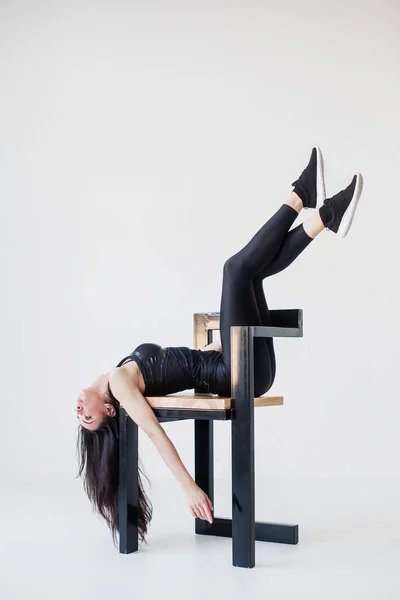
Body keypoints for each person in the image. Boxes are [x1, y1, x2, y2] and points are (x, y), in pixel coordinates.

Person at [76, 147, 364, 545]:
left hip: (238, 364)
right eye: (88, 419)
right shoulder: (120, 386)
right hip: (237, 373)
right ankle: (303, 195)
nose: (79, 411)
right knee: (236, 269)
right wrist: (189, 487)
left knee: (252, 276)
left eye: (79, 415)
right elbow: (157, 436)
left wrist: (207, 354)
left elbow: (179, 368)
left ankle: (328, 214)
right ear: (109, 410)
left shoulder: (116, 377)